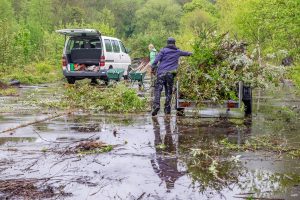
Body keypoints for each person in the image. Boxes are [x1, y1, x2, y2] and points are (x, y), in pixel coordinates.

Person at [151, 37, 192, 116]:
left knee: (158, 90)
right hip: (170, 74)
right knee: (169, 91)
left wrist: (153, 68)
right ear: (174, 43)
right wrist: (195, 53)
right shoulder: (177, 51)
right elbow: (187, 53)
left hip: (161, 73)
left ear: (167, 43)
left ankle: (156, 105)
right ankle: (167, 108)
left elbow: (155, 61)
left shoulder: (163, 51)